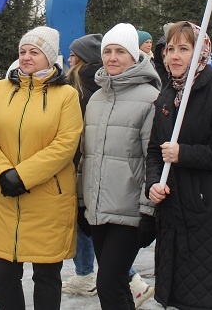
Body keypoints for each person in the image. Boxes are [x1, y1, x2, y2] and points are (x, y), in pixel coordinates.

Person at [145, 21, 212, 310]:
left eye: (184, 48)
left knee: (206, 299)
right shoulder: (167, 95)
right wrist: (153, 184)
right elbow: (156, 151)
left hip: (206, 212)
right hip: (172, 214)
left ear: (201, 53)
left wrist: (186, 154)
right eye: (170, 49)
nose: (174, 56)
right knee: (177, 298)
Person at [0, 26, 83, 310]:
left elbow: (66, 144)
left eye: (34, 52)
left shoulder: (66, 95)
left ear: (49, 57)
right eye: (23, 51)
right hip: (4, 199)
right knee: (2, 273)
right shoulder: (1, 89)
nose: (26, 57)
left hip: (48, 200)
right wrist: (2, 173)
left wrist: (23, 176)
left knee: (46, 277)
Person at [81, 23, 159, 309]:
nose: (112, 58)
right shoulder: (96, 99)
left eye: (120, 52)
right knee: (116, 285)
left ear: (135, 57)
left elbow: (155, 159)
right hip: (98, 209)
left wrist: (149, 212)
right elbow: (87, 156)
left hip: (130, 211)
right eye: (108, 51)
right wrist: (82, 203)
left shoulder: (150, 98)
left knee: (107, 284)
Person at [62, 33, 103, 297]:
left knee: (84, 221)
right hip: (97, 160)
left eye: (73, 54)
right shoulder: (103, 82)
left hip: (78, 160)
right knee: (91, 219)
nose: (69, 58)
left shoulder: (76, 85)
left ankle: (130, 280)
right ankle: (85, 273)